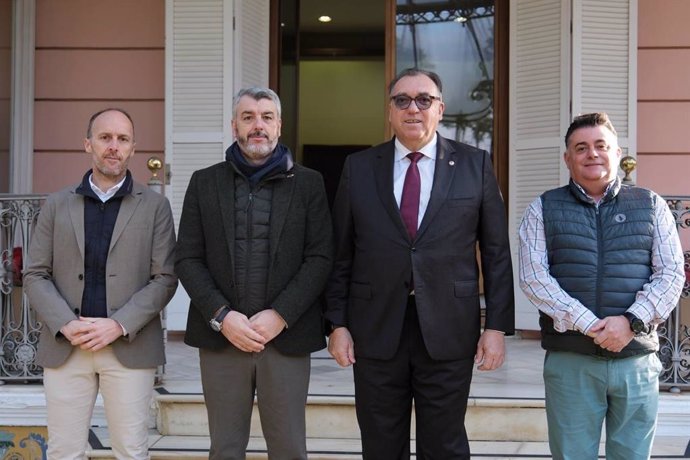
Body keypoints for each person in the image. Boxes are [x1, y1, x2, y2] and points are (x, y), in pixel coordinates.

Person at [324, 68, 515, 459]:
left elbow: (496, 252)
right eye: (402, 100)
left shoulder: (474, 165)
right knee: (380, 444)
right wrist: (337, 324)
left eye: (423, 100)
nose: (413, 108)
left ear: (440, 109)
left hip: (449, 328)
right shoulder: (359, 167)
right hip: (374, 328)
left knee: (444, 445)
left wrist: (496, 325)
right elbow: (341, 252)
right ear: (390, 111)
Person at [175, 87, 333, 460]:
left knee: (290, 449)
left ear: (279, 125)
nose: (257, 125)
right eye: (248, 117)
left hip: (286, 338)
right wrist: (222, 316)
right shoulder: (203, 182)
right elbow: (187, 259)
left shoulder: (310, 184)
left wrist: (281, 315)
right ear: (234, 127)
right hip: (222, 339)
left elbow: (321, 257)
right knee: (225, 449)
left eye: (266, 117)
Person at [518, 112, 685, 460]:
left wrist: (629, 321)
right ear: (568, 158)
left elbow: (671, 274)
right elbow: (534, 277)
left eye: (600, 146)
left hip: (636, 359)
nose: (591, 154)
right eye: (581, 148)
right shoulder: (543, 208)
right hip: (571, 360)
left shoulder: (650, 204)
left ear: (616, 152)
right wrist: (589, 324)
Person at [23, 108, 178, 459]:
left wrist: (118, 325)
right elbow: (35, 273)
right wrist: (66, 323)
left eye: (122, 139)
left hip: (128, 347)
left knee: (131, 450)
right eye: (105, 137)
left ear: (133, 148)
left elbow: (165, 278)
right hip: (67, 347)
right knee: (64, 451)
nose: (113, 146)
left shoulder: (156, 207)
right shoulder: (56, 204)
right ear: (88, 144)